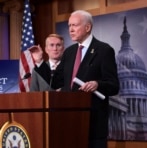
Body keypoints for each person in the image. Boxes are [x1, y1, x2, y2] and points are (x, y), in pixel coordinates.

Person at [30, 10, 119, 148]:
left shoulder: (103, 50)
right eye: (69, 25)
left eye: (75, 25)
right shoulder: (69, 52)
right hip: (69, 122)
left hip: (93, 123)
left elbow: (114, 85)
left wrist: (97, 84)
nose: (71, 29)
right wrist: (40, 62)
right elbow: (56, 81)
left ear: (87, 27)